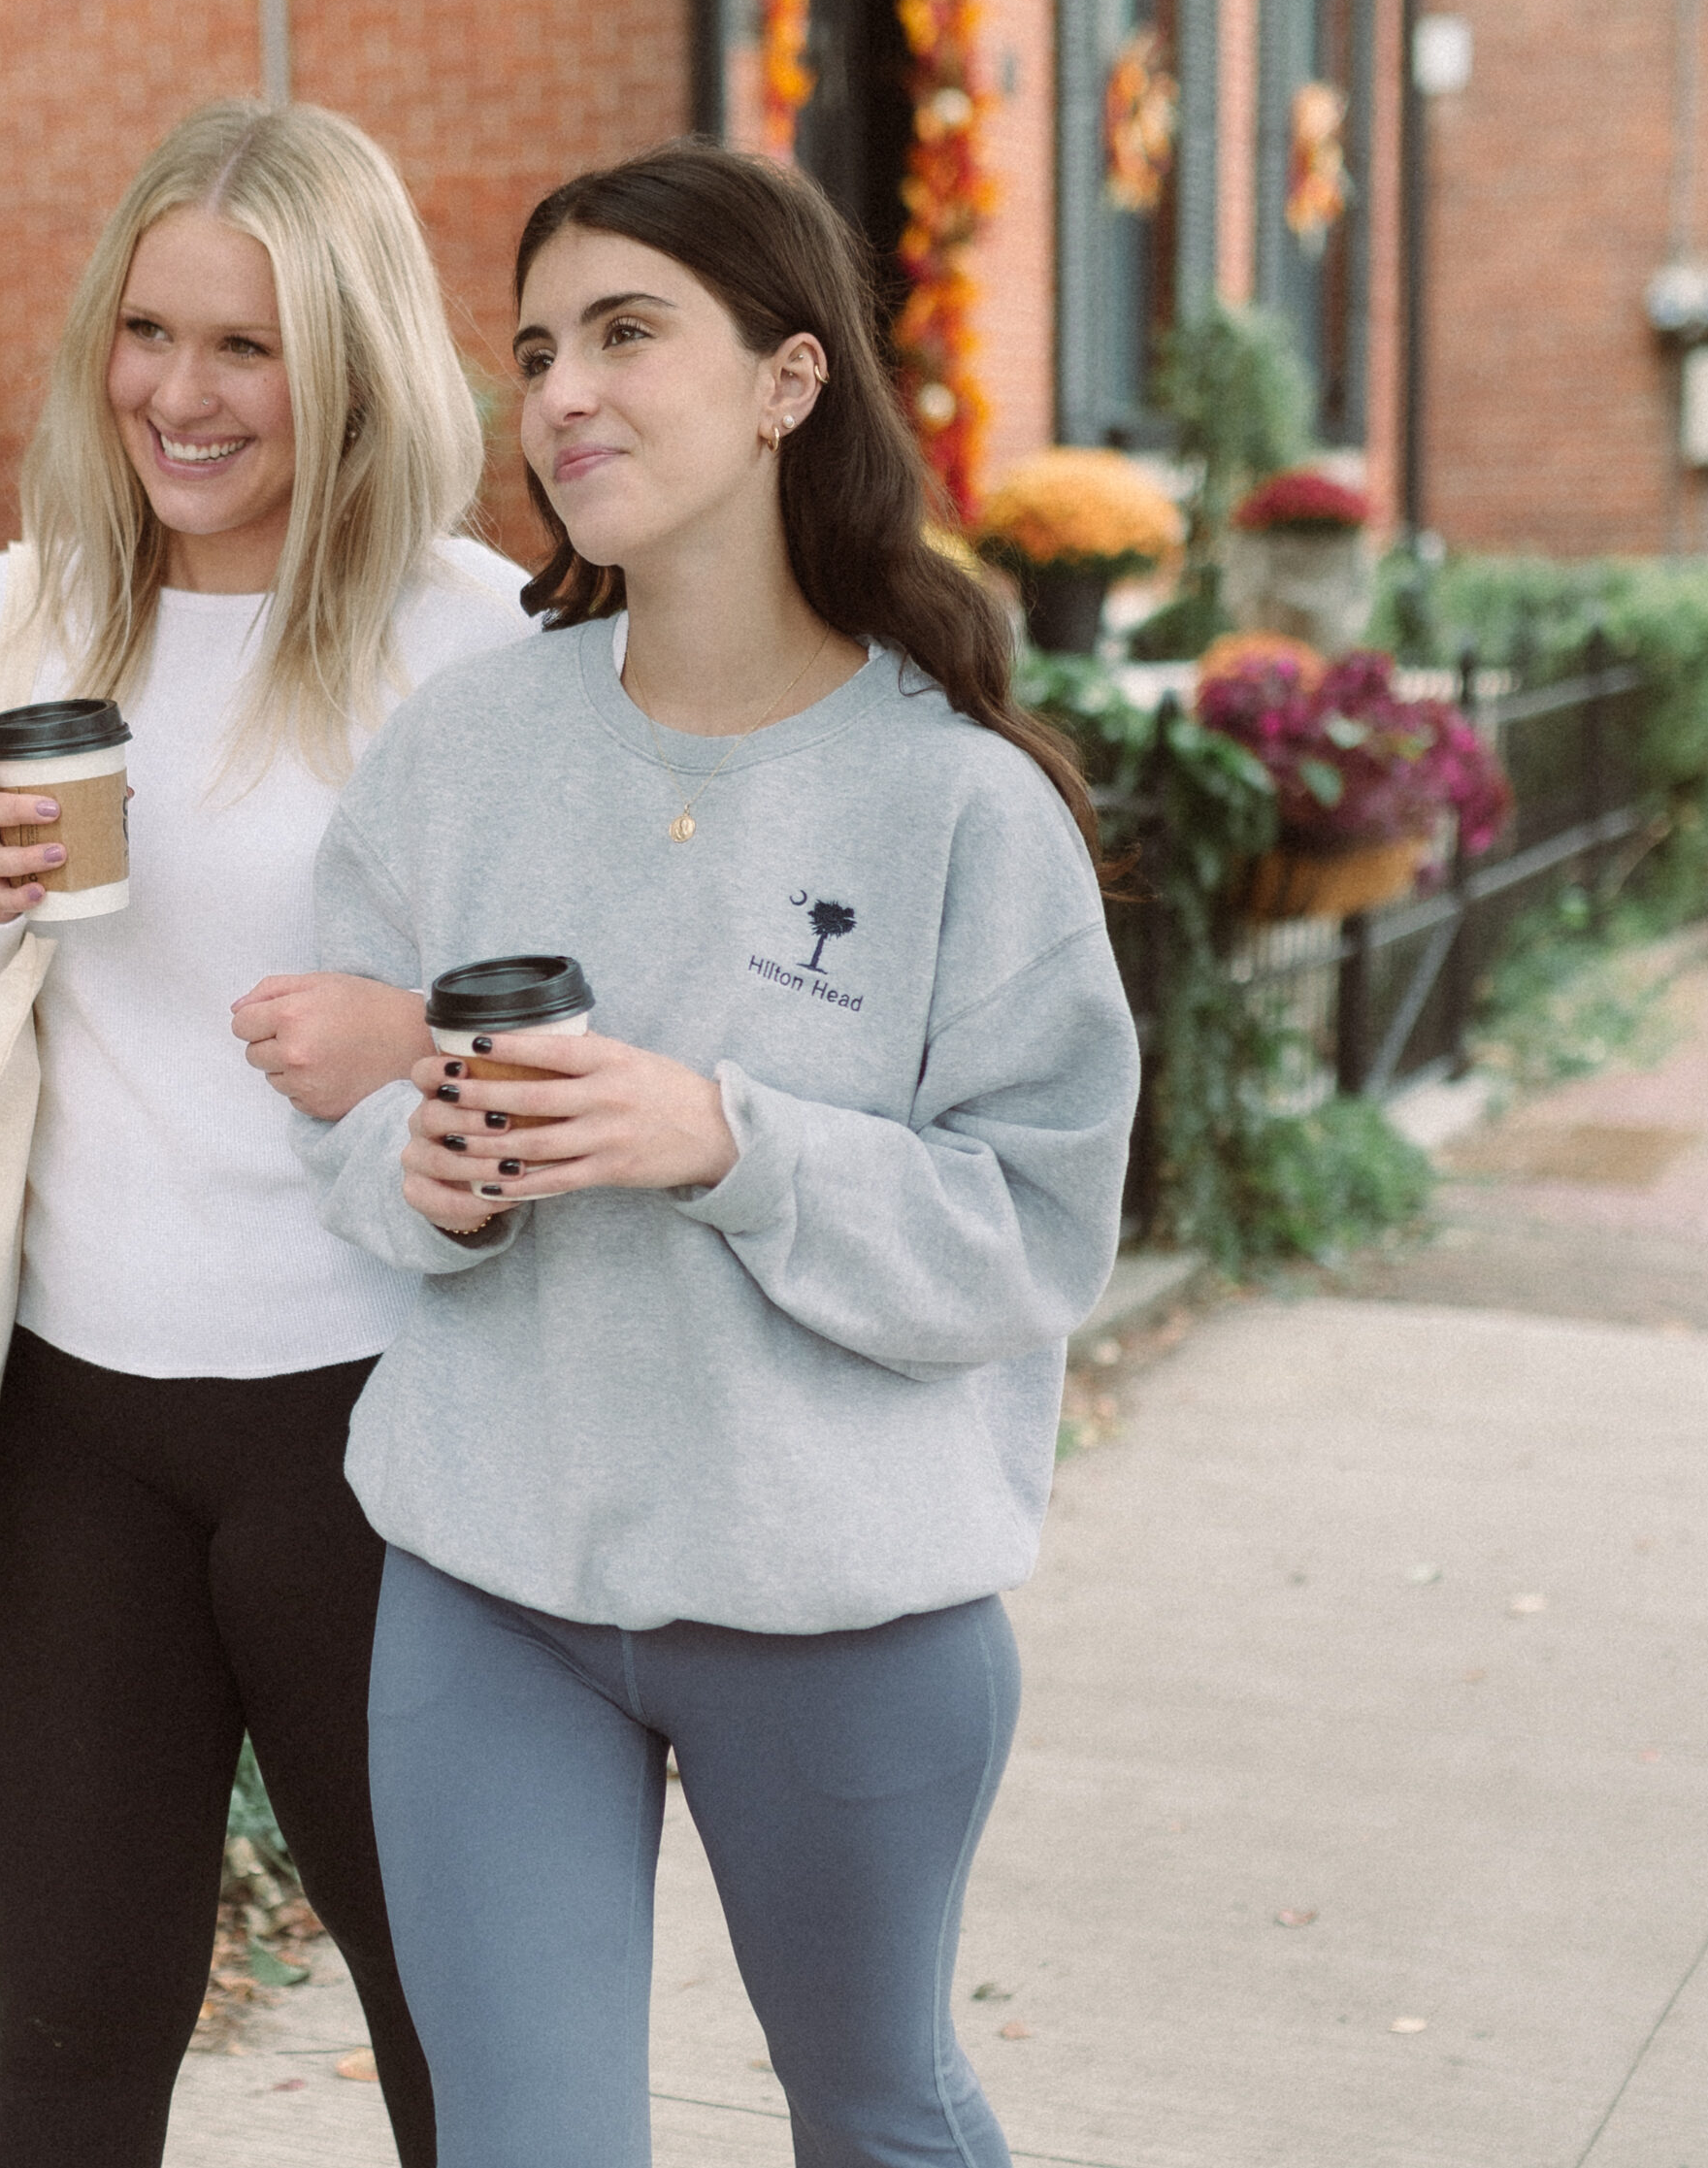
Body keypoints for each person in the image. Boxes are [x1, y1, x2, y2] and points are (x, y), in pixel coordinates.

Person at [293, 140, 1140, 2165]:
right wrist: (423, 1174)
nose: (562, 391)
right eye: (532, 350)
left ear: (784, 379)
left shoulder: (957, 806)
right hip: (487, 1579)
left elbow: (1031, 1236)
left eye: (623, 332)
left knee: (873, 2108)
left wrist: (717, 1139)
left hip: (837, 1596)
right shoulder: (458, 748)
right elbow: (347, 1128)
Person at [0, 98, 526, 2166]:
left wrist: (410, 1040)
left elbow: (564, 1039)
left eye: (247, 347)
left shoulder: (472, 639)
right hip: (67, 1431)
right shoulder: (4, 624)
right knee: (77, 2024)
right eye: (149, 331)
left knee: (455, 2012)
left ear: (353, 365)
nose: (180, 395)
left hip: (382, 1422)